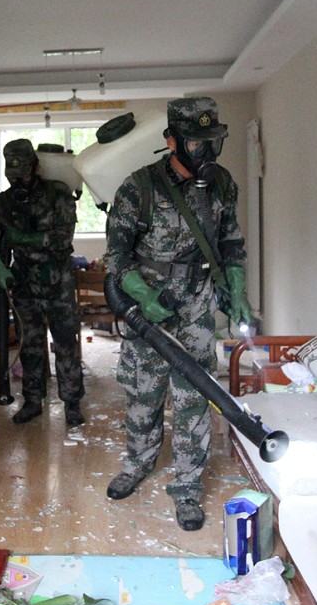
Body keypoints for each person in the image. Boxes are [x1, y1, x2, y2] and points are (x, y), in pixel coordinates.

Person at [103, 97, 253, 531]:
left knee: (193, 397)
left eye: (211, 142)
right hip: (148, 306)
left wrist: (238, 290)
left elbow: (231, 243)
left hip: (198, 305)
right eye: (194, 142)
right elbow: (116, 257)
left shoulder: (222, 184)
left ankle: (187, 488)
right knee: (144, 393)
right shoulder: (139, 188)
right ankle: (138, 463)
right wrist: (143, 299)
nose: (204, 152)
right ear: (172, 141)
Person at [0, 139, 86, 426]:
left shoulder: (57, 193)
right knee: (30, 346)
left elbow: (63, 237)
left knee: (65, 344)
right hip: (24, 284)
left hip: (58, 282)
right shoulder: (3, 202)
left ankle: (72, 403)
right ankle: (33, 400)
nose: (18, 180)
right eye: (12, 176)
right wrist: (0, 268)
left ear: (35, 167)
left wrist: (21, 238)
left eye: (22, 174)